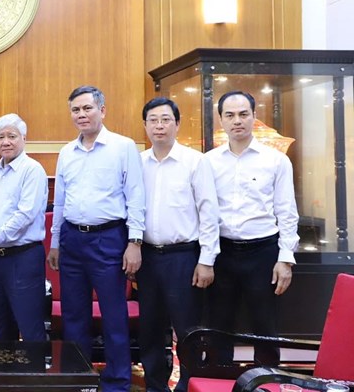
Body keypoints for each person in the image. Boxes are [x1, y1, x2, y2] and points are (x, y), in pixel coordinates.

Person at [46, 85, 145, 392]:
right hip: (73, 240)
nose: (81, 115)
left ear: (102, 110)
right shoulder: (66, 152)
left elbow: (136, 196)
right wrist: (55, 242)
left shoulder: (123, 147)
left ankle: (117, 383)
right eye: (76, 110)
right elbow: (60, 201)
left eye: (87, 108)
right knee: (75, 316)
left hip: (110, 239)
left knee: (114, 314)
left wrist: (135, 242)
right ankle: (79, 378)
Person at [205, 90, 299, 366]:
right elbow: (205, 213)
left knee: (264, 324)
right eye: (230, 115)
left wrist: (285, 259)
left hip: (263, 252)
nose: (237, 121)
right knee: (218, 323)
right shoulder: (209, 162)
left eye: (244, 114)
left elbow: (287, 213)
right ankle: (217, 378)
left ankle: (266, 380)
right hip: (222, 252)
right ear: (220, 119)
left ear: (254, 117)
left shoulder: (276, 160)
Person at [138, 97, 220, 392]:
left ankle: (188, 385)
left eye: (165, 119)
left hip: (184, 256)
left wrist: (206, 259)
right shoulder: (138, 163)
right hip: (147, 257)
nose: (159, 126)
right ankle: (155, 386)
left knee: (187, 329)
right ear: (145, 125)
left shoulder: (195, 161)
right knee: (150, 327)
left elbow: (209, 212)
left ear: (177, 123)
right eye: (153, 120)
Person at [0, 113, 48, 342]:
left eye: (11, 136)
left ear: (24, 138)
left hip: (22, 258)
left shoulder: (32, 170)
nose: (5, 142)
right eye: (0, 137)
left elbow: (25, 215)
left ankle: (31, 377)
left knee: (29, 324)